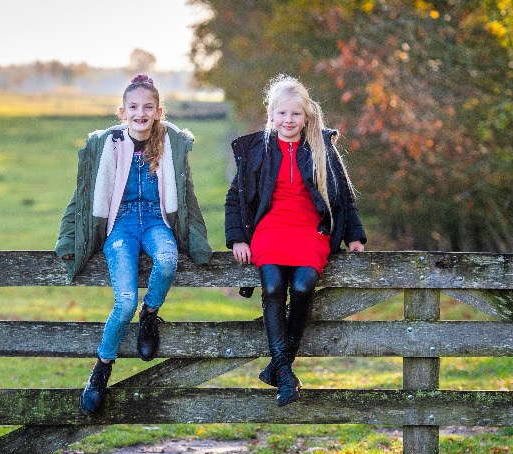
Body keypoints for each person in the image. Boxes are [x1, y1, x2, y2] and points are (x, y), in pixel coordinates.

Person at [55, 75, 212, 415]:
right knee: (124, 302)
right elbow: (81, 197)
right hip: (122, 224)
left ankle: (150, 314)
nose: (141, 113)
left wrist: (199, 241)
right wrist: (67, 239)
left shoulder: (170, 145)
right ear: (123, 111)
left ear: (158, 111)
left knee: (168, 259)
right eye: (134, 107)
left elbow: (186, 198)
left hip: (156, 220)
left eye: (148, 107)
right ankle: (102, 368)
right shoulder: (108, 145)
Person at [224, 74, 367, 407]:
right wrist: (237, 239)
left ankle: (280, 365)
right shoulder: (259, 150)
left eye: (296, 114)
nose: (288, 121)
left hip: (309, 229)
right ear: (272, 115)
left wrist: (354, 237)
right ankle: (285, 372)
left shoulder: (320, 147)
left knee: (303, 286)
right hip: (270, 228)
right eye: (282, 114)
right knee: (273, 286)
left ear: (307, 116)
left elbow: (343, 196)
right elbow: (235, 198)